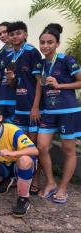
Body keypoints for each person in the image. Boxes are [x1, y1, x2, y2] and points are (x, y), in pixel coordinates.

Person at [36, 23, 81, 204]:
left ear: (57, 43)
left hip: (68, 111)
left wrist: (60, 85)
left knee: (68, 150)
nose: (45, 46)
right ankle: (51, 182)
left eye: (49, 42)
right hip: (48, 111)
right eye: (42, 42)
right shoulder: (41, 63)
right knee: (42, 147)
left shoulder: (66, 60)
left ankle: (63, 188)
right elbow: (40, 86)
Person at [4, 21, 42, 141]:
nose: (15, 36)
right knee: (24, 143)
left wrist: (35, 107)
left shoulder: (32, 52)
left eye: (18, 33)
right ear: (8, 38)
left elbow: (40, 81)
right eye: (11, 34)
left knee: (35, 143)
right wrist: (11, 79)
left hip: (33, 106)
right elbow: (13, 85)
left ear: (25, 35)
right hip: (20, 106)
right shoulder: (10, 57)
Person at [0, 22, 16, 122]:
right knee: (4, 131)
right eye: (0, 34)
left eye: (5, 32)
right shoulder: (0, 54)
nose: (2, 35)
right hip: (2, 98)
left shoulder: (25, 50)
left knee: (17, 132)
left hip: (17, 98)